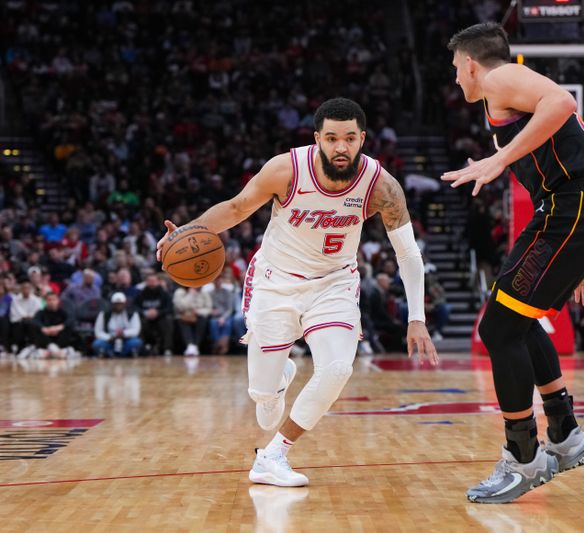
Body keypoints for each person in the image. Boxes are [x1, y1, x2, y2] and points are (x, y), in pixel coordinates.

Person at [156, 98, 437, 488]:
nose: (342, 147)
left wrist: (416, 318)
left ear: (362, 139)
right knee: (263, 403)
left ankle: (273, 455)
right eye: (333, 138)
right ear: (318, 138)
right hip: (275, 281)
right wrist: (186, 232)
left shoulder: (380, 185)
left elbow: (408, 253)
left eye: (350, 138)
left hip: (334, 282)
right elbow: (237, 208)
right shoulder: (285, 169)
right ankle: (276, 384)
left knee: (337, 368)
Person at [442, 23, 584, 503]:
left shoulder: (499, 79)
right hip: (583, 213)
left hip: (576, 208)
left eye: (456, 69)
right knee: (516, 323)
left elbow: (563, 102)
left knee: (498, 329)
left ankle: (523, 457)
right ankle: (565, 433)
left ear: (470, 64)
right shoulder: (500, 97)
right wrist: (581, 259)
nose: (456, 79)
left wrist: (497, 161)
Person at [134, 272, 174, 355]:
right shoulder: (141, 294)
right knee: (139, 321)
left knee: (168, 320)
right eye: (149, 281)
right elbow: (135, 307)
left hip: (160, 317)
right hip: (145, 317)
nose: (152, 283)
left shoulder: (164, 294)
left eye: (153, 281)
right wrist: (145, 312)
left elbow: (169, 308)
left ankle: (167, 348)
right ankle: (143, 347)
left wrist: (158, 312)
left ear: (158, 282)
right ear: (146, 282)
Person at [93, 292, 142, 357]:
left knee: (136, 342)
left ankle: (127, 354)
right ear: (112, 304)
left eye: (120, 304)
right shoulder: (104, 314)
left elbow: (136, 330)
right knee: (97, 343)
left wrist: (124, 334)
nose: (118, 306)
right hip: (109, 341)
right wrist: (109, 337)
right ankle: (108, 354)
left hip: (126, 340)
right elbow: (98, 331)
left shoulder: (132, 313)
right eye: (116, 304)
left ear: (125, 304)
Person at [32, 292, 80, 358]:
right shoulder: (41, 312)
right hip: (46, 339)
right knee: (35, 328)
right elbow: (35, 321)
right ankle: (56, 351)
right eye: (49, 300)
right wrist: (43, 328)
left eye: (54, 299)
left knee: (69, 327)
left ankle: (53, 351)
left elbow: (71, 319)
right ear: (45, 301)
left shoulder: (63, 312)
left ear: (58, 301)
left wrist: (60, 327)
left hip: (59, 338)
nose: (51, 302)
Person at [173, 285, 212, 356]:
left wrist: (199, 312)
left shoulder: (204, 293)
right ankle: (190, 345)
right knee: (181, 321)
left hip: (199, 316)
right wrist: (190, 295)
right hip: (184, 316)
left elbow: (209, 308)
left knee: (203, 320)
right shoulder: (179, 292)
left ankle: (195, 346)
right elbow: (180, 307)